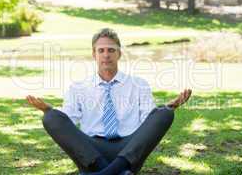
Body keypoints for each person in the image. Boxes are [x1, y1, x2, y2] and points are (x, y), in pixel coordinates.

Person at [26, 28, 192, 175]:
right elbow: (67, 119)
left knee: (165, 114)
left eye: (111, 50)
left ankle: (105, 172)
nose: (106, 55)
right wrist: (49, 110)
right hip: (91, 151)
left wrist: (172, 106)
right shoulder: (77, 88)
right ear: (94, 54)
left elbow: (149, 120)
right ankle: (117, 172)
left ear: (119, 53)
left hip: (129, 150)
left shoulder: (139, 85)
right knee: (50, 117)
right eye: (101, 50)